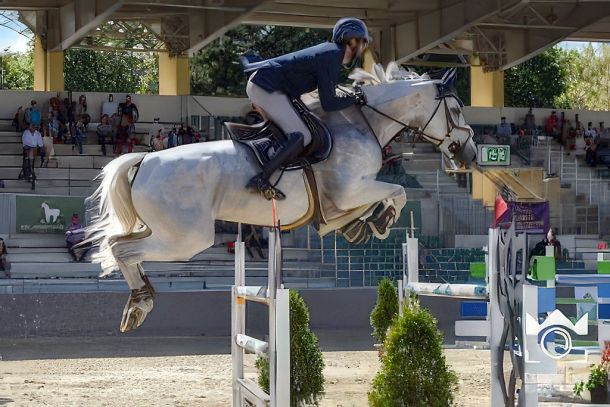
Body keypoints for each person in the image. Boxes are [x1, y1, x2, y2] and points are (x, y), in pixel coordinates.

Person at [242, 17, 369, 200]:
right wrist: (353, 99)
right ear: (350, 40)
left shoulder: (331, 53)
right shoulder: (333, 54)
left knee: (302, 128)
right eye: (360, 43)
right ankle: (261, 179)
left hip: (267, 85)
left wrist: (350, 97)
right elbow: (329, 103)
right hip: (266, 86)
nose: (361, 49)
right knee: (302, 135)